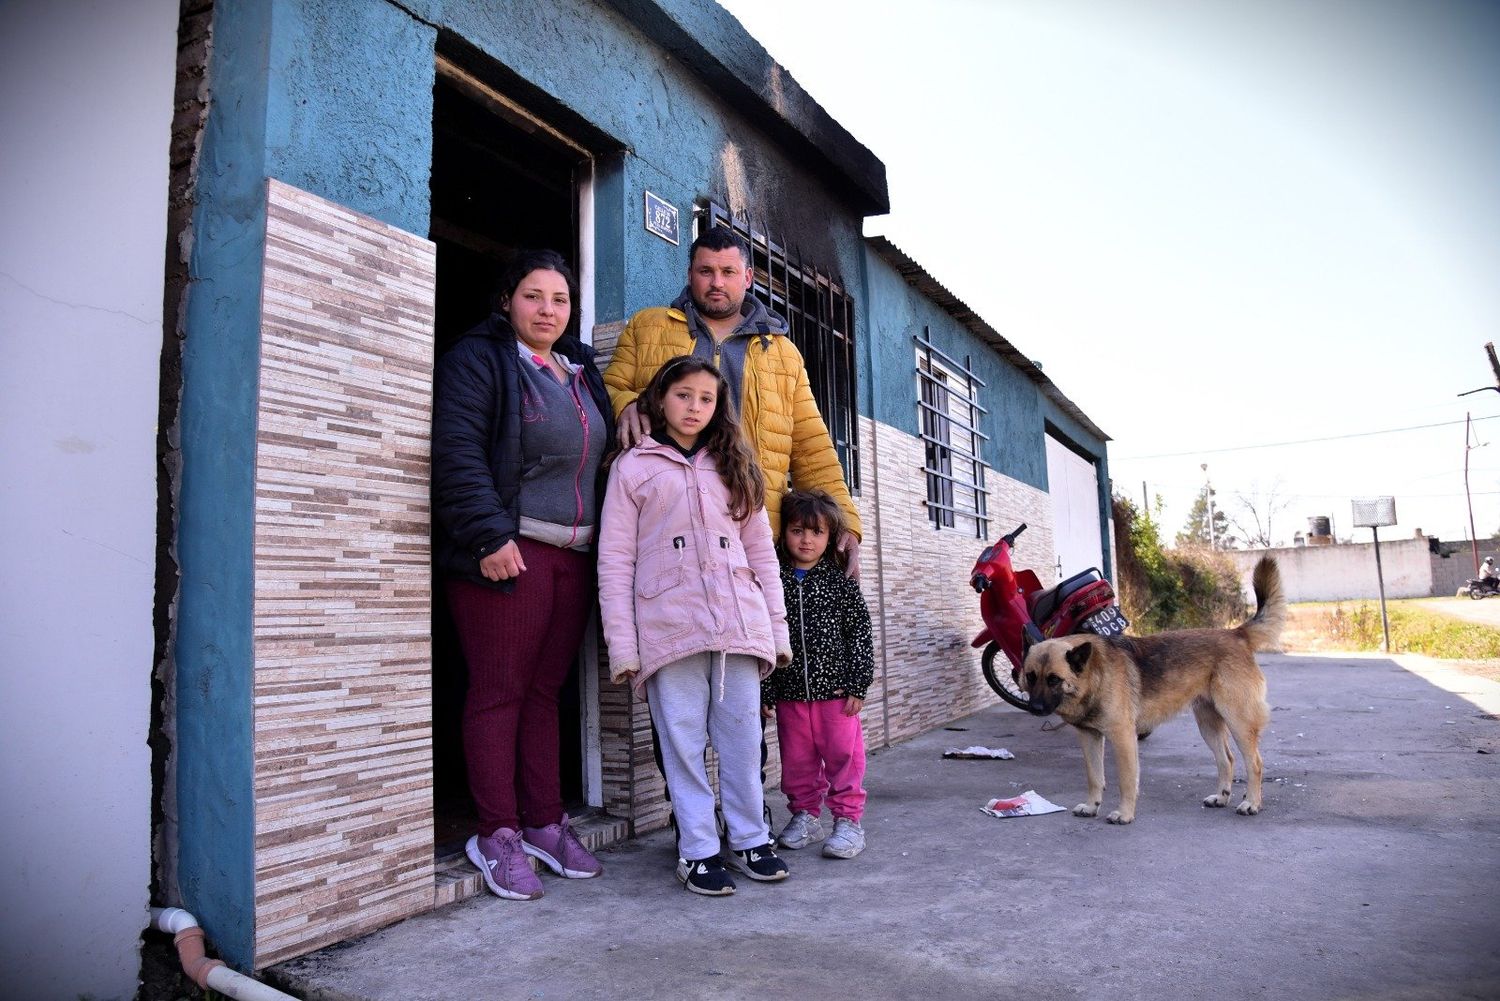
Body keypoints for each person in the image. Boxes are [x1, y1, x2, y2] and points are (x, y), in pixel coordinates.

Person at [432, 249, 614, 901]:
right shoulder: (478, 359)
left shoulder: (578, 367)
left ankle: (542, 821)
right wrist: (487, 534)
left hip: (573, 554)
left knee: (544, 693)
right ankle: (496, 832)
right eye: (534, 296)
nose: (547, 309)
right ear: (508, 299)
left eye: (560, 299)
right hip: (508, 552)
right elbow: (456, 451)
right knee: (498, 692)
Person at [596, 356, 793, 896]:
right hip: (669, 628)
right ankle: (699, 849)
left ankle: (751, 838)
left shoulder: (734, 464)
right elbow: (615, 559)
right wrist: (624, 646)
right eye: (684, 395)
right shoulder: (633, 467)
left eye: (706, 399)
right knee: (681, 744)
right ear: (661, 399)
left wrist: (777, 632)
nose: (694, 408)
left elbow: (762, 555)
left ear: (718, 406)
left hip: (737, 626)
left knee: (741, 739)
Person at [603, 225, 864, 577]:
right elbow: (606, 389)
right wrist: (627, 403)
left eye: (728, 272)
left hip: (750, 526)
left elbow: (811, 445)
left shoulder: (783, 355)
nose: (716, 283)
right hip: (665, 523)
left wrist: (845, 523)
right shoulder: (648, 327)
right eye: (705, 271)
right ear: (690, 274)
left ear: (748, 277)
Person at [763, 488, 875, 860]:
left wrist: (858, 683)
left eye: (816, 532)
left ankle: (848, 821)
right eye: (797, 530)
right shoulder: (772, 582)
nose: (806, 539)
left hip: (837, 694)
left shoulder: (841, 583)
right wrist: (765, 692)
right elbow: (764, 638)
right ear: (784, 533)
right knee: (796, 761)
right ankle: (805, 815)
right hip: (790, 693)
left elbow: (859, 634)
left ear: (830, 537)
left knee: (844, 756)